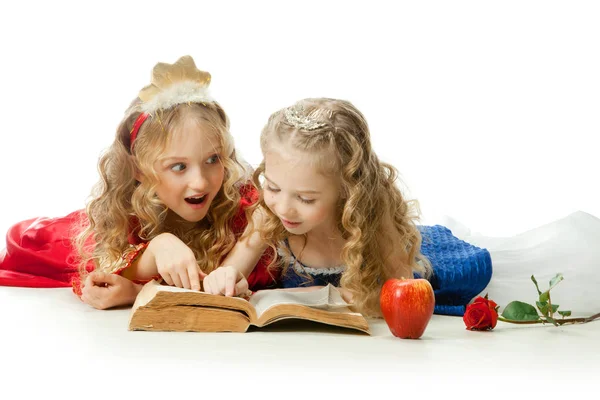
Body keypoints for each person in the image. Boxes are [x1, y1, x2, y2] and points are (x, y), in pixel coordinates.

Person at [0, 55, 276, 309]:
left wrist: (134, 292)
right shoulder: (123, 217)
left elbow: (221, 287)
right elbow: (23, 240)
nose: (200, 182)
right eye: (178, 166)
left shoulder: (241, 204)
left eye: (213, 160)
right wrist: (157, 248)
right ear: (139, 170)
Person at [202, 98, 493, 317]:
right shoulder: (268, 213)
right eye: (274, 187)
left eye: (306, 199)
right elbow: (232, 270)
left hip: (414, 269)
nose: (285, 209)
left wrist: (323, 294)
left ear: (346, 190)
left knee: (465, 276)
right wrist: (226, 278)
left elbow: (399, 291)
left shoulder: (372, 219)